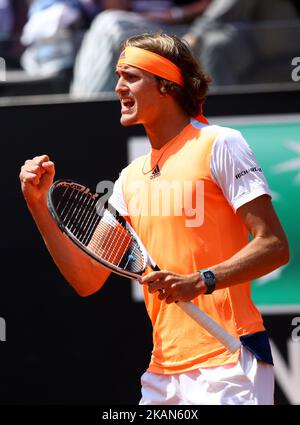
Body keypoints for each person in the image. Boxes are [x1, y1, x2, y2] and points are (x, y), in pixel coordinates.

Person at [19, 32, 290, 405]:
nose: (118, 88)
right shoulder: (129, 179)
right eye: (118, 76)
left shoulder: (220, 143)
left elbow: (274, 245)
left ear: (166, 85)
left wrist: (201, 280)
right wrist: (38, 205)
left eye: (131, 76)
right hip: (162, 375)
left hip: (230, 364)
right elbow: (86, 279)